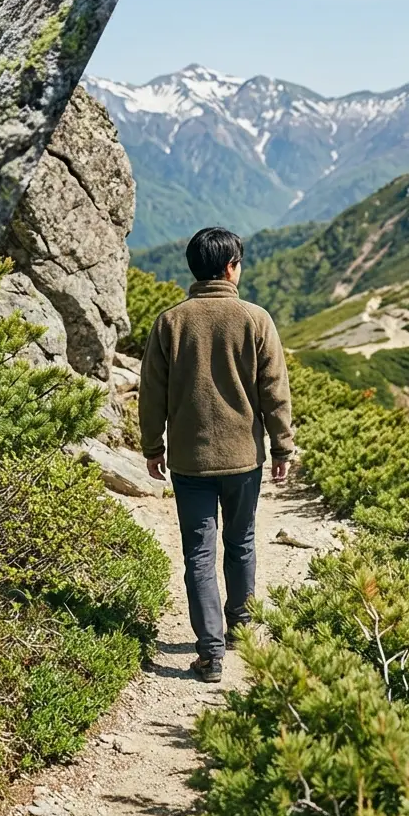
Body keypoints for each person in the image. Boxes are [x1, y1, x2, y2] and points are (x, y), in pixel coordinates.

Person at [138, 227, 294, 684]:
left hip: (189, 460)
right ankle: (240, 628)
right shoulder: (255, 319)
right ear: (229, 267)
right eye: (239, 263)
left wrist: (152, 447)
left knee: (199, 556)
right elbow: (274, 391)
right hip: (244, 459)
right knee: (241, 543)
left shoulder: (171, 322)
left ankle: (209, 655)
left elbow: (151, 394)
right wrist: (283, 445)